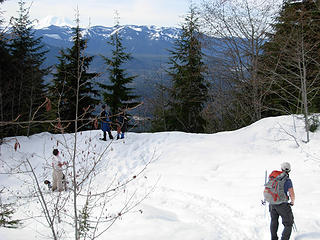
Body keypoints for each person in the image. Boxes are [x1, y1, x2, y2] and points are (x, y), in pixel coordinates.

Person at [269, 162, 295, 240]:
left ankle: (274, 238)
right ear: (289, 170)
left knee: (274, 220)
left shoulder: (273, 177)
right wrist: (292, 202)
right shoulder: (287, 180)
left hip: (272, 203)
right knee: (288, 223)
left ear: (281, 169)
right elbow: (292, 194)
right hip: (282, 204)